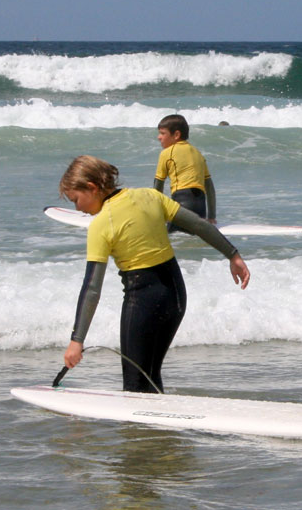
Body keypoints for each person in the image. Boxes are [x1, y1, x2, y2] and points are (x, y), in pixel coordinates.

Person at [60, 155, 250, 393]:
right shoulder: (150, 196)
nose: (77, 208)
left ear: (92, 187)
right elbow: (198, 225)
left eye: (75, 200)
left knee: (135, 384)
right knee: (149, 375)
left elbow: (92, 288)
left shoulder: (101, 225)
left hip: (143, 300)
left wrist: (77, 340)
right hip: (175, 295)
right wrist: (233, 255)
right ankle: (158, 427)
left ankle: (143, 429)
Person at [153, 114, 217, 232]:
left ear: (176, 135)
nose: (159, 137)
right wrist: (212, 216)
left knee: (164, 236)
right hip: (201, 209)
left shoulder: (167, 153)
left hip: (182, 205)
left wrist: (156, 214)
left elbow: (158, 186)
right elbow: (210, 188)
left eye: (162, 133)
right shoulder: (198, 153)